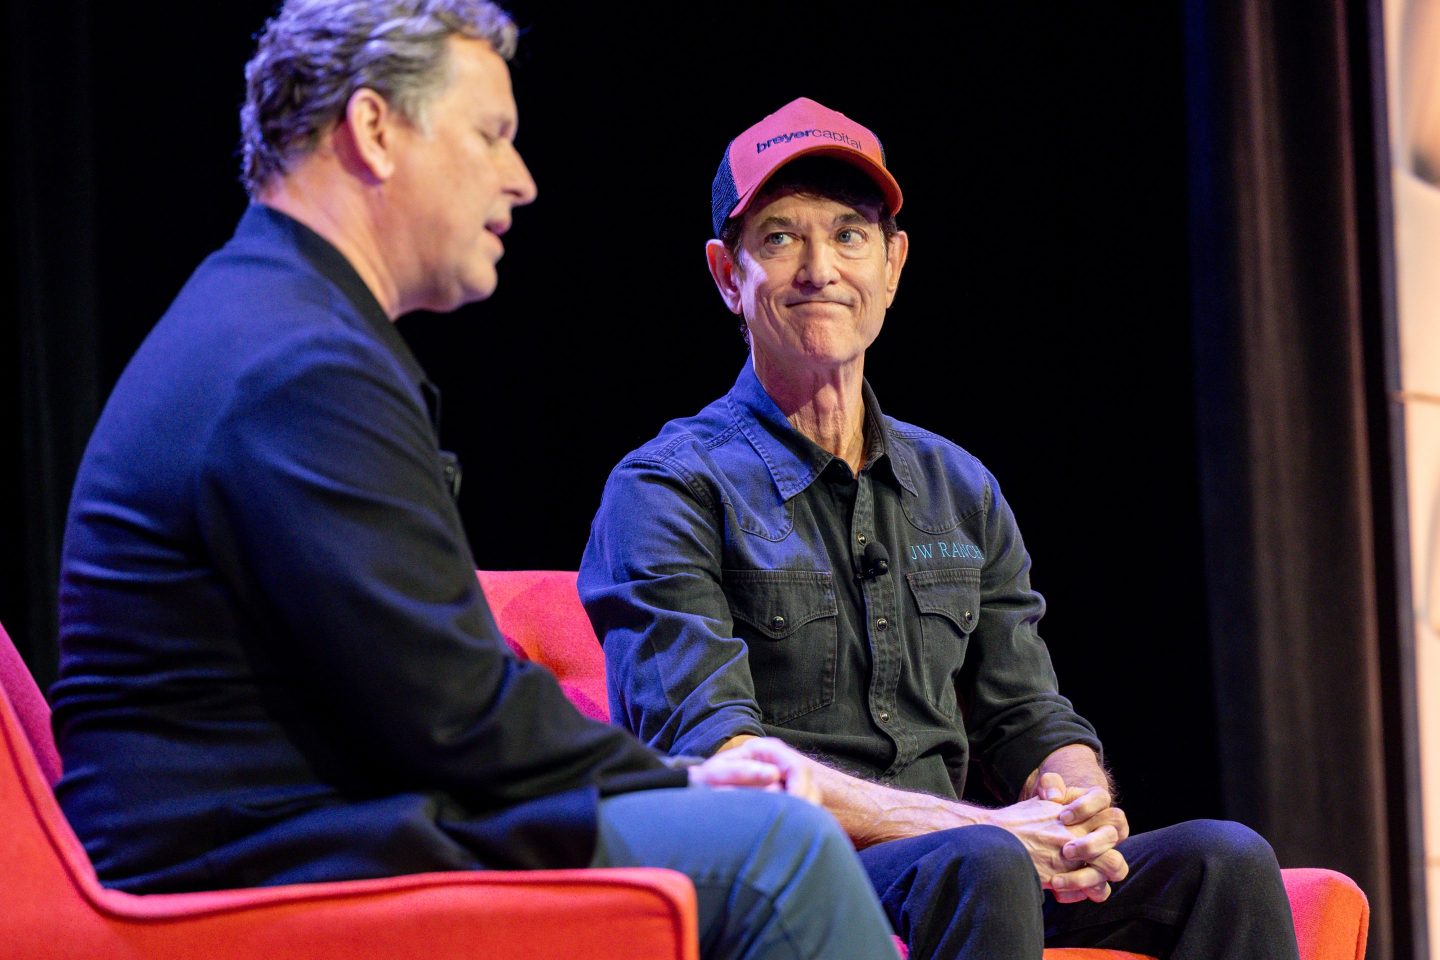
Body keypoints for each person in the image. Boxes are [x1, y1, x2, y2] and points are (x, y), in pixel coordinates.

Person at [47, 6, 902, 958]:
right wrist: (681, 781)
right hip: (256, 862)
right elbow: (450, 709)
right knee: (779, 849)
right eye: (491, 135)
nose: (521, 179)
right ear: (375, 130)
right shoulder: (298, 360)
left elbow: (414, 689)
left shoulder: (268, 315)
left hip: (291, 824)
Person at [579, 96, 1303, 960]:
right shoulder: (667, 486)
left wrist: (1074, 806)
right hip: (798, 878)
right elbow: (724, 760)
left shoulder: (959, 485)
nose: (820, 268)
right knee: (985, 861)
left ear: (892, 264)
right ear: (726, 275)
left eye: (850, 235)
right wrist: (989, 828)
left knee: (1225, 860)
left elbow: (1029, 713)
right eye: (779, 238)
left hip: (967, 865)